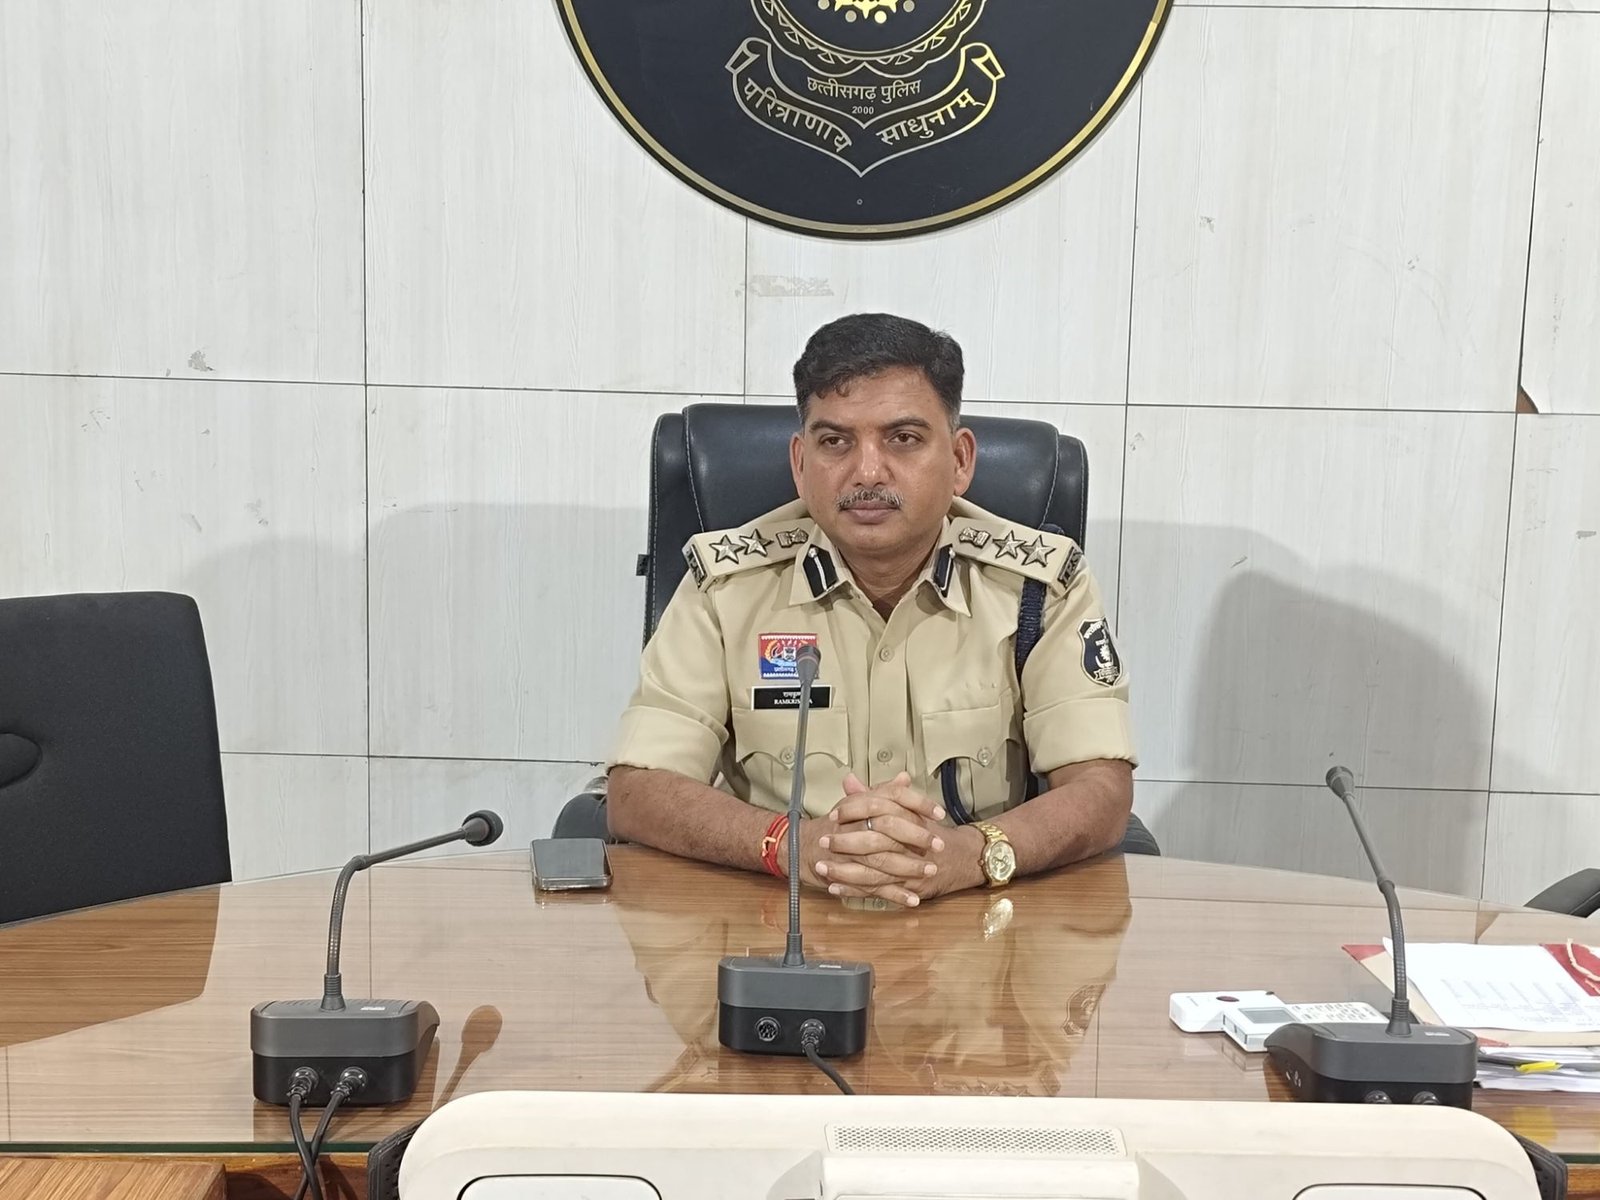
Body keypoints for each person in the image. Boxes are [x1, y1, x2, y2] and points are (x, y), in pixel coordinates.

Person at [606, 313, 1137, 908]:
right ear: (800, 464)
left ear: (960, 460)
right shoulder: (725, 588)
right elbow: (636, 790)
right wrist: (789, 845)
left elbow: (1101, 789)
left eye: (902, 438)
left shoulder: (1039, 587)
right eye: (835, 442)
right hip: (778, 925)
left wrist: (968, 854)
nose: (866, 472)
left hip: (974, 922)